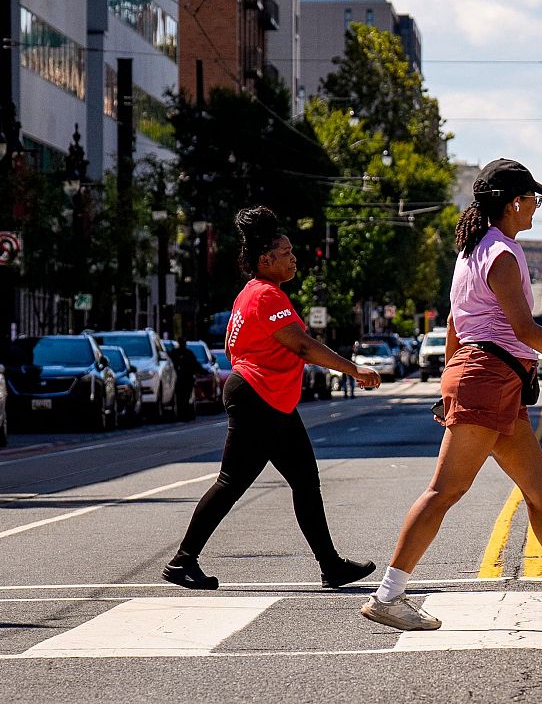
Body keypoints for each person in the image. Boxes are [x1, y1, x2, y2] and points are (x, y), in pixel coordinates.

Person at [361, 159, 542, 632]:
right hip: (489, 379)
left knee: (541, 492)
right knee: (444, 490)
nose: (536, 205)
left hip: (491, 381)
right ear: (515, 201)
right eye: (534, 197)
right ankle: (388, 596)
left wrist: (451, 378)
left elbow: (456, 324)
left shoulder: (473, 252)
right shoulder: (502, 253)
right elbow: (523, 328)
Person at [163, 206, 383, 592]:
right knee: (232, 482)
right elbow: (302, 345)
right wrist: (354, 370)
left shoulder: (254, 294)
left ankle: (331, 565)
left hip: (269, 399)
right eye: (286, 252)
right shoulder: (265, 296)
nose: (294, 258)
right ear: (265, 260)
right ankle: (182, 561)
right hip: (257, 397)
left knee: (305, 480)